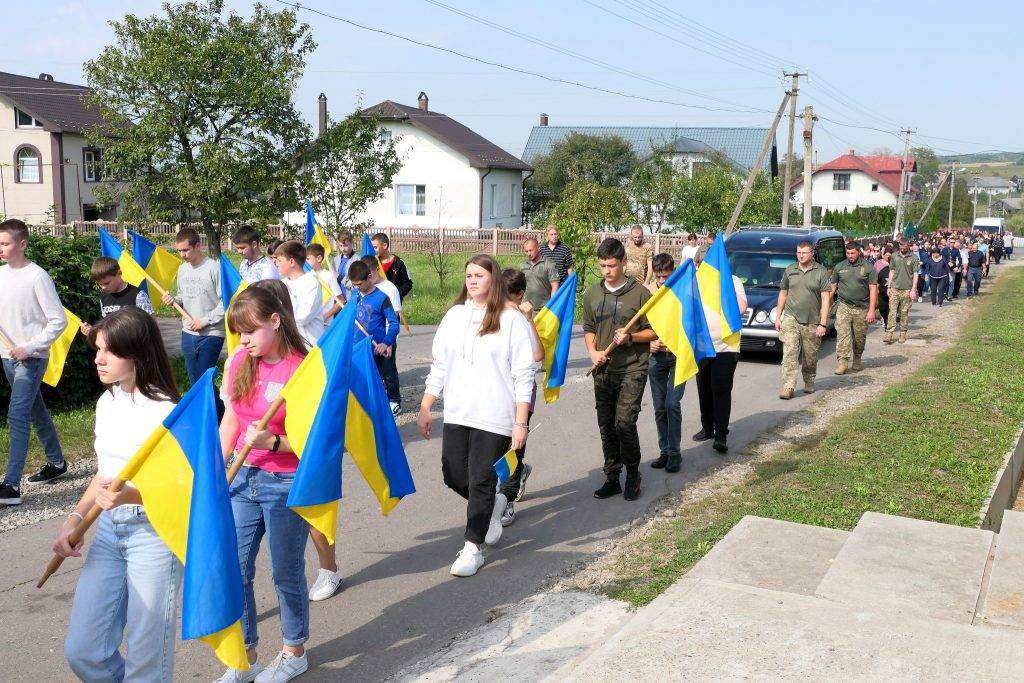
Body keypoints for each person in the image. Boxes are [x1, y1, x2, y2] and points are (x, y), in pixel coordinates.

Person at [57, 308, 181, 682]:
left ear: (138, 354)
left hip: (154, 536)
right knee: (84, 652)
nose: (97, 358)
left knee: (147, 664)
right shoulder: (106, 402)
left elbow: (184, 488)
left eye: (108, 351)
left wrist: (132, 496)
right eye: (97, 349)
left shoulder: (168, 412)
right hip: (109, 532)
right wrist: (75, 519)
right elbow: (103, 475)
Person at [216, 287, 311, 682]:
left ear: (275, 320)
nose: (243, 341)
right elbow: (232, 421)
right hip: (243, 479)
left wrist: (273, 441)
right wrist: (218, 473)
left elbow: (316, 445)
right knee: (235, 570)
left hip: (285, 481)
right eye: (238, 332)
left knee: (285, 571)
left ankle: (294, 651)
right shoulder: (240, 359)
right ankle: (246, 656)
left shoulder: (303, 370)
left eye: (250, 331)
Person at [418, 255, 534, 577]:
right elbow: (439, 365)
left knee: (481, 479)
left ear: (493, 279)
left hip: (495, 415)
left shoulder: (511, 320)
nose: (472, 280)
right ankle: (493, 505)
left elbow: (525, 374)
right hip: (458, 412)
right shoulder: (454, 316)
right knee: (454, 475)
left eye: (479, 275)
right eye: (468, 275)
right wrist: (427, 406)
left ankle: (473, 548)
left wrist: (520, 421)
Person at [0, 219, 68, 505]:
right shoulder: (1, 275)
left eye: (5, 243)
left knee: (17, 415)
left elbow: (58, 321)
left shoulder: (37, 277)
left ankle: (11, 487)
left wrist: (28, 347)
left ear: (22, 244)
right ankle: (57, 462)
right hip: (7, 357)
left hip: (31, 359)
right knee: (35, 411)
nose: (0, 248)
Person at [583, 238, 656, 500]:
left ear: (624, 262)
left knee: (624, 423)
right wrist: (593, 352)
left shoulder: (640, 294)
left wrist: (631, 338)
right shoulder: (592, 294)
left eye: (611, 265)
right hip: (603, 369)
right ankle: (612, 476)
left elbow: (654, 331)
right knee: (607, 426)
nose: (606, 271)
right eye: (602, 265)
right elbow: (589, 329)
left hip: (632, 368)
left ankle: (633, 473)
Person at [498, 268, 544, 526]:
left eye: (508, 297)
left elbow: (537, 356)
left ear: (520, 295)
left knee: (514, 448)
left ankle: (508, 500)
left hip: (521, 394)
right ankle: (520, 472)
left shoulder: (522, 319)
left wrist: (530, 320)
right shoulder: (491, 316)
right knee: (498, 447)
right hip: (496, 392)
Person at [162, 228, 225, 390]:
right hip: (188, 333)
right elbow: (182, 296)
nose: (182, 255)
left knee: (205, 381)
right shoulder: (182, 269)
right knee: (194, 381)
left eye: (185, 250)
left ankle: (217, 413)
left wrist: (204, 321)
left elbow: (226, 302)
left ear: (197, 246)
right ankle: (207, 413)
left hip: (211, 333)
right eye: (179, 251)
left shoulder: (214, 267)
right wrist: (173, 300)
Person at [694, 266, 747, 454]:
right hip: (703, 345)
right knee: (704, 387)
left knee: (721, 388)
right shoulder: (698, 280)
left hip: (727, 346)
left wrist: (725, 289)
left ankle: (721, 435)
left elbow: (741, 307)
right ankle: (707, 427)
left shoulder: (733, 281)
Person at [646, 254, 686, 473]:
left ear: (673, 271)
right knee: (660, 407)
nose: (662, 281)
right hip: (656, 358)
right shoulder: (648, 292)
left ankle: (674, 453)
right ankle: (664, 451)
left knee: (672, 404)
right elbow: (641, 323)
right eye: (659, 277)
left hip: (678, 355)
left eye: (666, 276)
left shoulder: (683, 290)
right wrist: (649, 342)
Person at [775, 241, 830, 399]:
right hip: (791, 317)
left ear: (812, 253)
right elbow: (783, 293)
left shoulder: (820, 271)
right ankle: (788, 386)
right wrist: (778, 317)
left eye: (804, 252)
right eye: (798, 252)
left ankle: (809, 379)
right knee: (789, 352)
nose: (801, 255)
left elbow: (825, 299)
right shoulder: (790, 269)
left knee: (810, 355)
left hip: (812, 320)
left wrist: (823, 323)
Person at [349, 260, 402, 415]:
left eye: (359, 284)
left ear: (369, 277)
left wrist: (386, 343)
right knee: (362, 382)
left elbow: (393, 324)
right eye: (354, 284)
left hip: (376, 349)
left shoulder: (381, 297)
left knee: (384, 378)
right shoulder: (355, 295)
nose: (357, 287)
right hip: (358, 349)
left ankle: (391, 403)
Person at [831, 241, 878, 374]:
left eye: (852, 253)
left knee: (859, 337)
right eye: (848, 253)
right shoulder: (839, 267)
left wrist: (871, 310)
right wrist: (823, 305)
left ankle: (857, 357)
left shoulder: (868, 267)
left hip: (862, 307)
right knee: (842, 334)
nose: (850, 255)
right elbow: (832, 288)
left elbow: (873, 289)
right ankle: (843, 362)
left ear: (859, 252)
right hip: (844, 305)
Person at [80, 256, 154, 336]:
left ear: (119, 273)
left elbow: (152, 325)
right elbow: (107, 327)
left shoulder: (138, 295)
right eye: (100, 284)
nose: (103, 287)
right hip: (114, 346)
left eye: (107, 283)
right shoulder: (103, 296)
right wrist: (93, 332)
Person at [273, 240, 325, 347]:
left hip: (310, 346)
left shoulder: (311, 283)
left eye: (279, 260)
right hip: (290, 346)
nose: (275, 263)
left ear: (291, 262)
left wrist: (286, 294)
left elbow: (302, 317)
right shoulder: (283, 283)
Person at [884, 240, 919, 345]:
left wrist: (913, 289)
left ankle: (903, 333)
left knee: (904, 312)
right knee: (892, 312)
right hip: (895, 288)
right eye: (900, 246)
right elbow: (891, 271)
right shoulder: (894, 256)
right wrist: (889, 286)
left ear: (908, 245)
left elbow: (916, 274)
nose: (902, 248)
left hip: (907, 289)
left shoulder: (914, 258)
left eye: (904, 246)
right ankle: (889, 333)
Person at [306, 243, 343, 322]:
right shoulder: (306, 276)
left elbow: (341, 300)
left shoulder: (329, 276)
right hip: (310, 323)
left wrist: (325, 316)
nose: (305, 262)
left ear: (319, 258)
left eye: (308, 259)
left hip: (325, 324)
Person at [371, 232, 413, 300]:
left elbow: (408, 284)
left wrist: (397, 293)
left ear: (385, 246)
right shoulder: (373, 263)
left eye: (375, 247)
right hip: (377, 301)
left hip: (394, 304)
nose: (373, 250)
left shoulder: (399, 263)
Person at [332, 232, 357, 297]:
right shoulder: (335, 260)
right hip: (338, 300)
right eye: (340, 245)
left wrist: (340, 277)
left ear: (352, 244)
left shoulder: (357, 260)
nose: (343, 249)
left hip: (350, 300)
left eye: (345, 245)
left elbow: (356, 285)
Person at [875, 247, 892, 330]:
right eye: (887, 255)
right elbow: (877, 280)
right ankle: (885, 319)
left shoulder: (894, 268)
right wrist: (876, 290)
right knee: (882, 308)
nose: (888, 257)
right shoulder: (881, 268)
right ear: (883, 255)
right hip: (882, 292)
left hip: (892, 293)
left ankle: (888, 325)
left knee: (891, 309)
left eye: (890, 255)